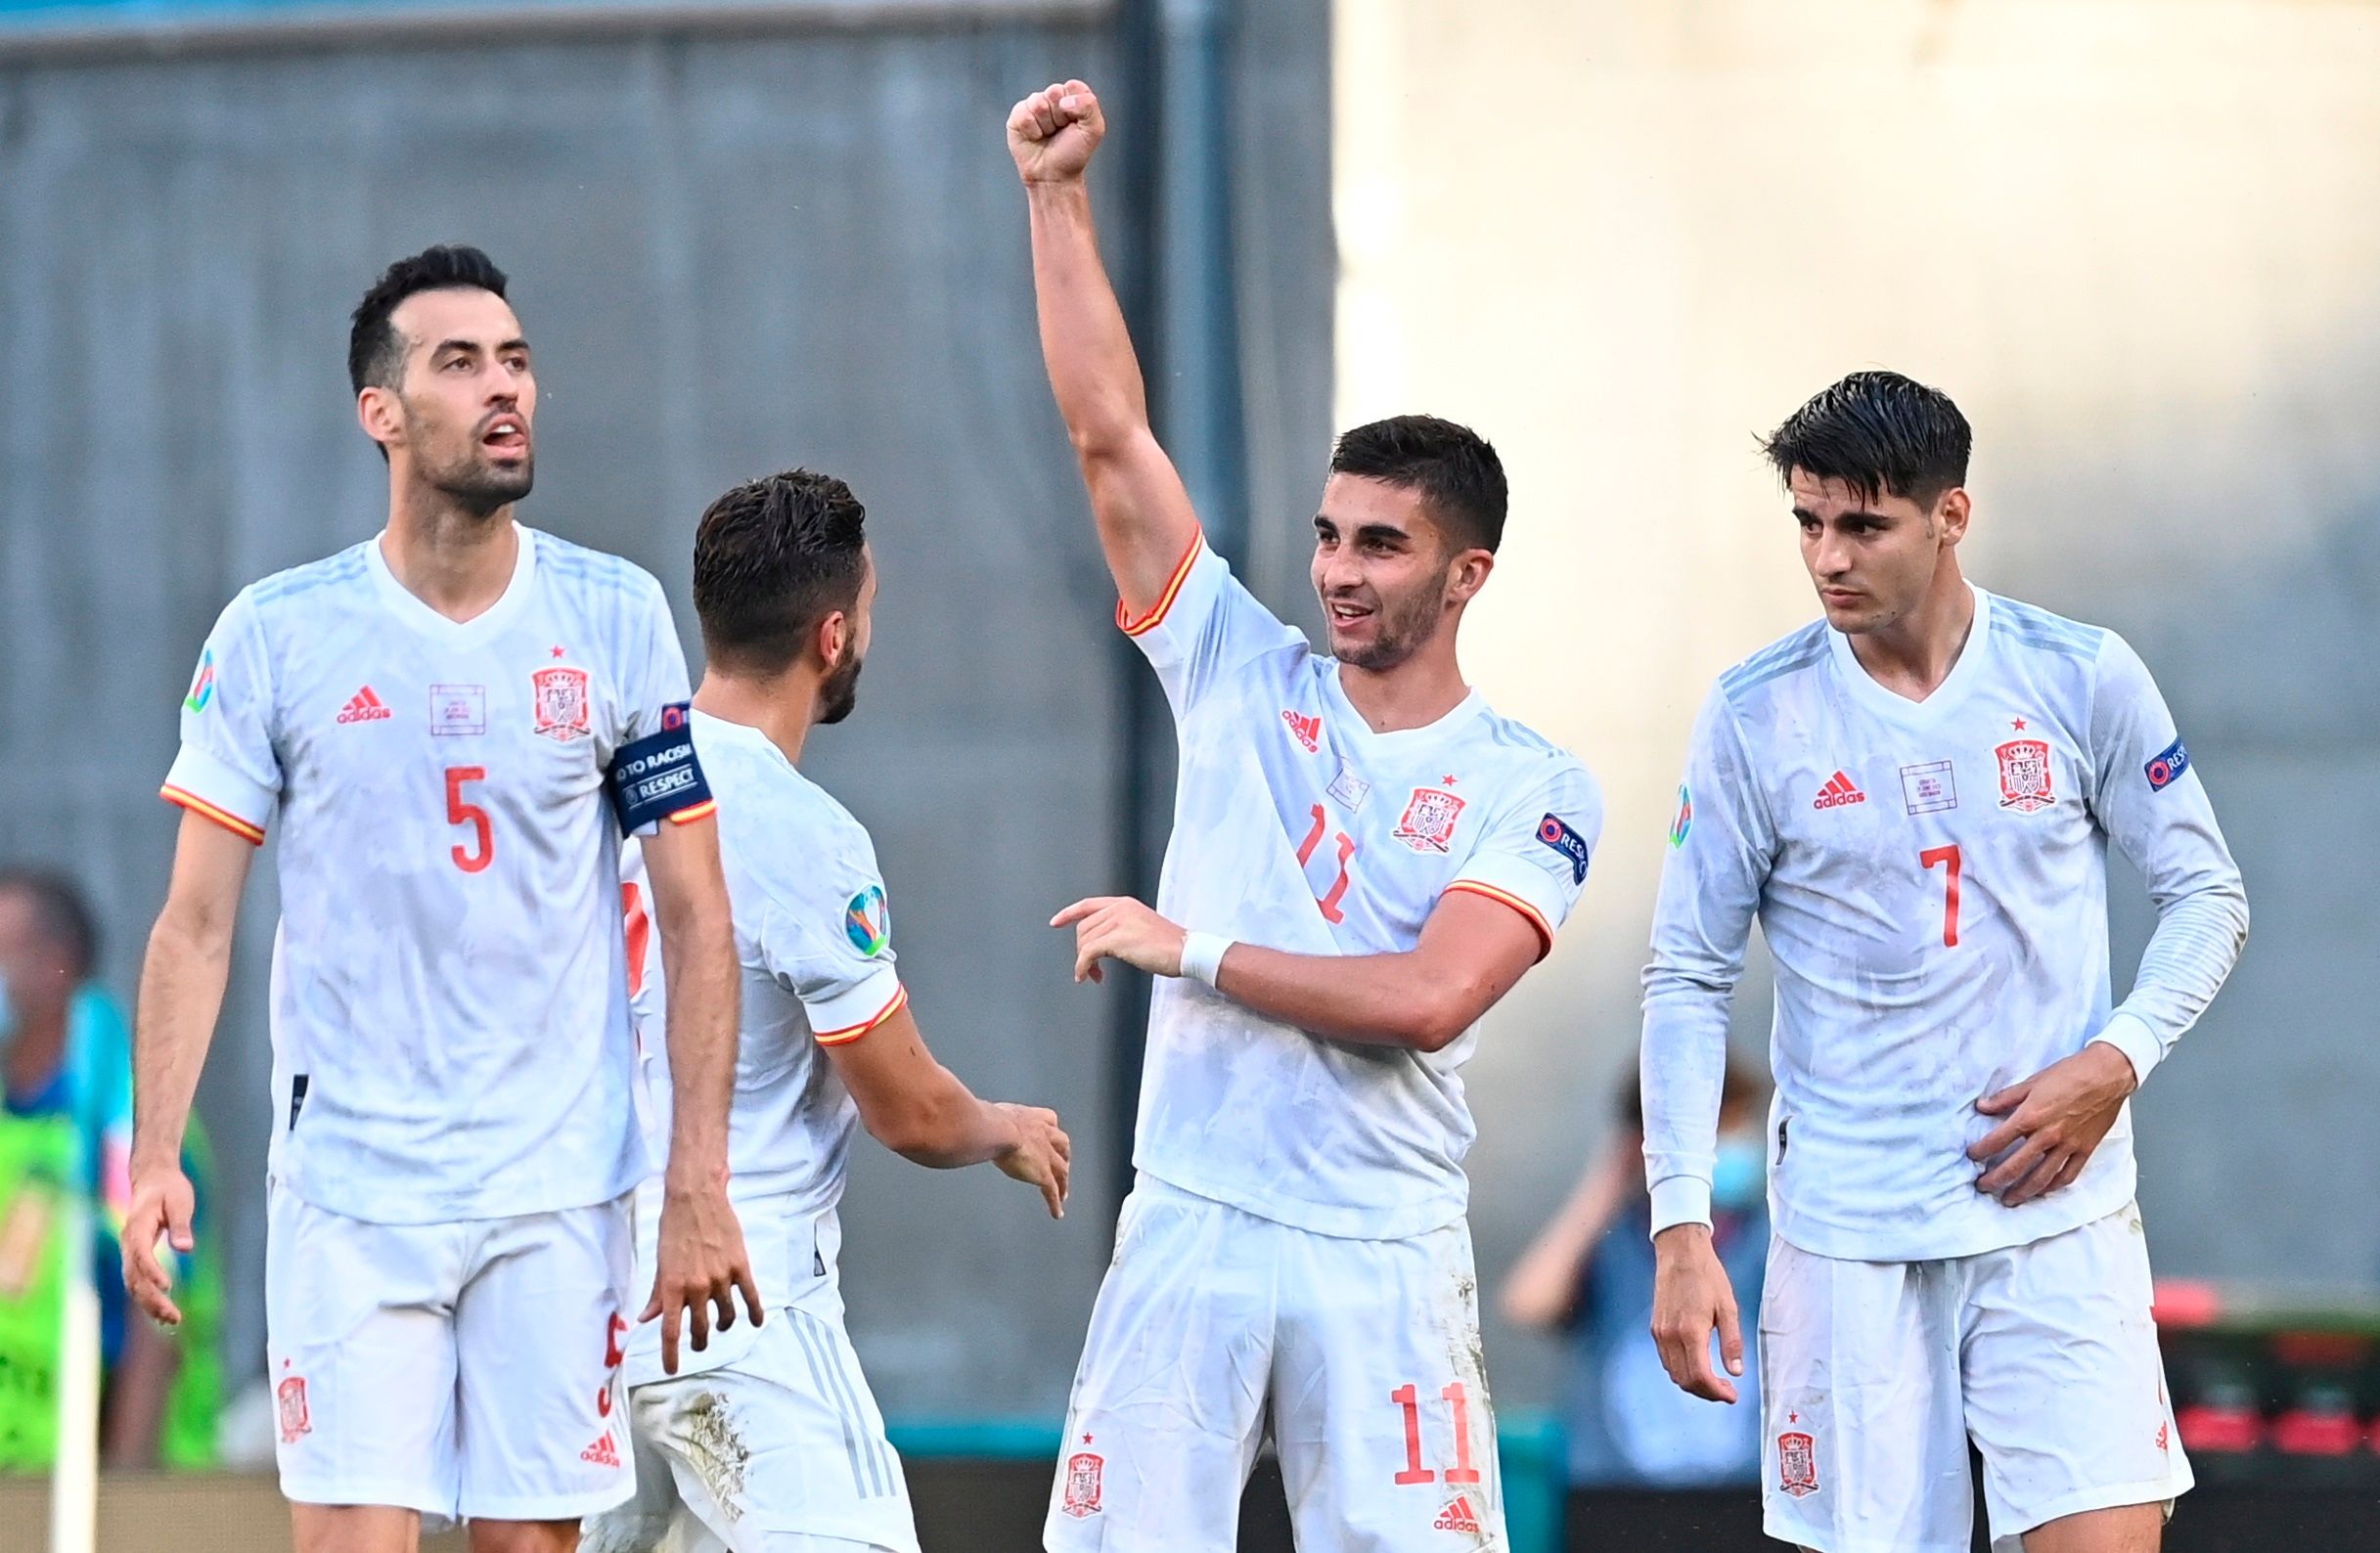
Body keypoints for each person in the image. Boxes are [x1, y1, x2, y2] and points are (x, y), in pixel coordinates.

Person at [1009, 80, 1604, 1552]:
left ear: (1465, 575)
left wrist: (1189, 947)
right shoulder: (1232, 668)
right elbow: (1109, 437)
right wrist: (1055, 196)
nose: (1339, 570)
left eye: (1382, 546)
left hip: (1383, 1256)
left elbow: (1423, 997)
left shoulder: (1535, 780)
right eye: (1331, 534)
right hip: (1194, 1220)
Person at [123, 244, 761, 1553]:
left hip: (559, 1184)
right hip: (353, 1189)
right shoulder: (276, 636)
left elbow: (697, 918)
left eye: (517, 360)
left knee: (528, 1545)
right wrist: (151, 1159)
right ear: (382, 412)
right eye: (461, 364)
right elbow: (194, 922)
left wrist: (696, 1173)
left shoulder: (614, 615)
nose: (504, 389)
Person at [1639, 371, 2250, 1553]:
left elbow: (2208, 894)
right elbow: (1685, 976)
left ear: (1951, 516)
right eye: (1808, 523)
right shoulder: (1755, 715)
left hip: (2056, 1218)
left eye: (1863, 525)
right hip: (1850, 1235)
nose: (1828, 558)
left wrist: (2116, 1059)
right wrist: (1681, 1229)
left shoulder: (2079, 676)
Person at [583, 469, 1074, 1553]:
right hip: (735, 1305)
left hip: (586, 1306)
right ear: (834, 632)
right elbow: (907, 1108)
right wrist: (1006, 1125)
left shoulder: (602, 785)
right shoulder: (800, 830)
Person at [0, 867, 219, 1469]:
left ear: (56, 965)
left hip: (98, 1492)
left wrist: (123, 1498)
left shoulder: (123, 1120)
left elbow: (157, 1311)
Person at [1502, 1060, 1768, 1489]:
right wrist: (1606, 1181)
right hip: (1615, 1501)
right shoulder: (1611, 1243)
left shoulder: (1763, 1241)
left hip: (1742, 1499)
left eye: (1738, 1127)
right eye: (1720, 1130)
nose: (1735, 1146)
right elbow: (1529, 1303)